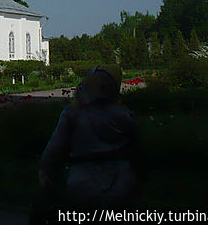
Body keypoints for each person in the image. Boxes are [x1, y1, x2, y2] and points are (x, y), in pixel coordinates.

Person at [38, 66, 141, 210]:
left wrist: (46, 170)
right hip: (120, 182)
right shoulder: (125, 115)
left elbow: (55, 147)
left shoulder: (73, 114)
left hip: (83, 182)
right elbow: (137, 151)